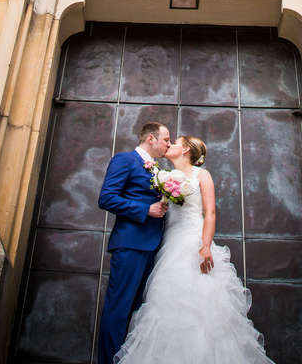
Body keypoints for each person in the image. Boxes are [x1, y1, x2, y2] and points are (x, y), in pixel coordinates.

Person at [113, 135, 276, 364]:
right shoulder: (162, 176)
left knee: (202, 305)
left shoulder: (202, 175)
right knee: (164, 303)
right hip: (169, 245)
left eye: (175, 142)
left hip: (193, 242)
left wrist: (206, 245)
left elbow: (209, 213)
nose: (169, 145)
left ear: (187, 149)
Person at [97, 121, 171, 364]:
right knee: (118, 308)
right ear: (151, 139)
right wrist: (145, 209)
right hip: (130, 244)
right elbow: (107, 198)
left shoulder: (157, 169)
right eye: (166, 140)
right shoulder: (124, 160)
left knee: (138, 310)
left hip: (153, 247)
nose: (168, 145)